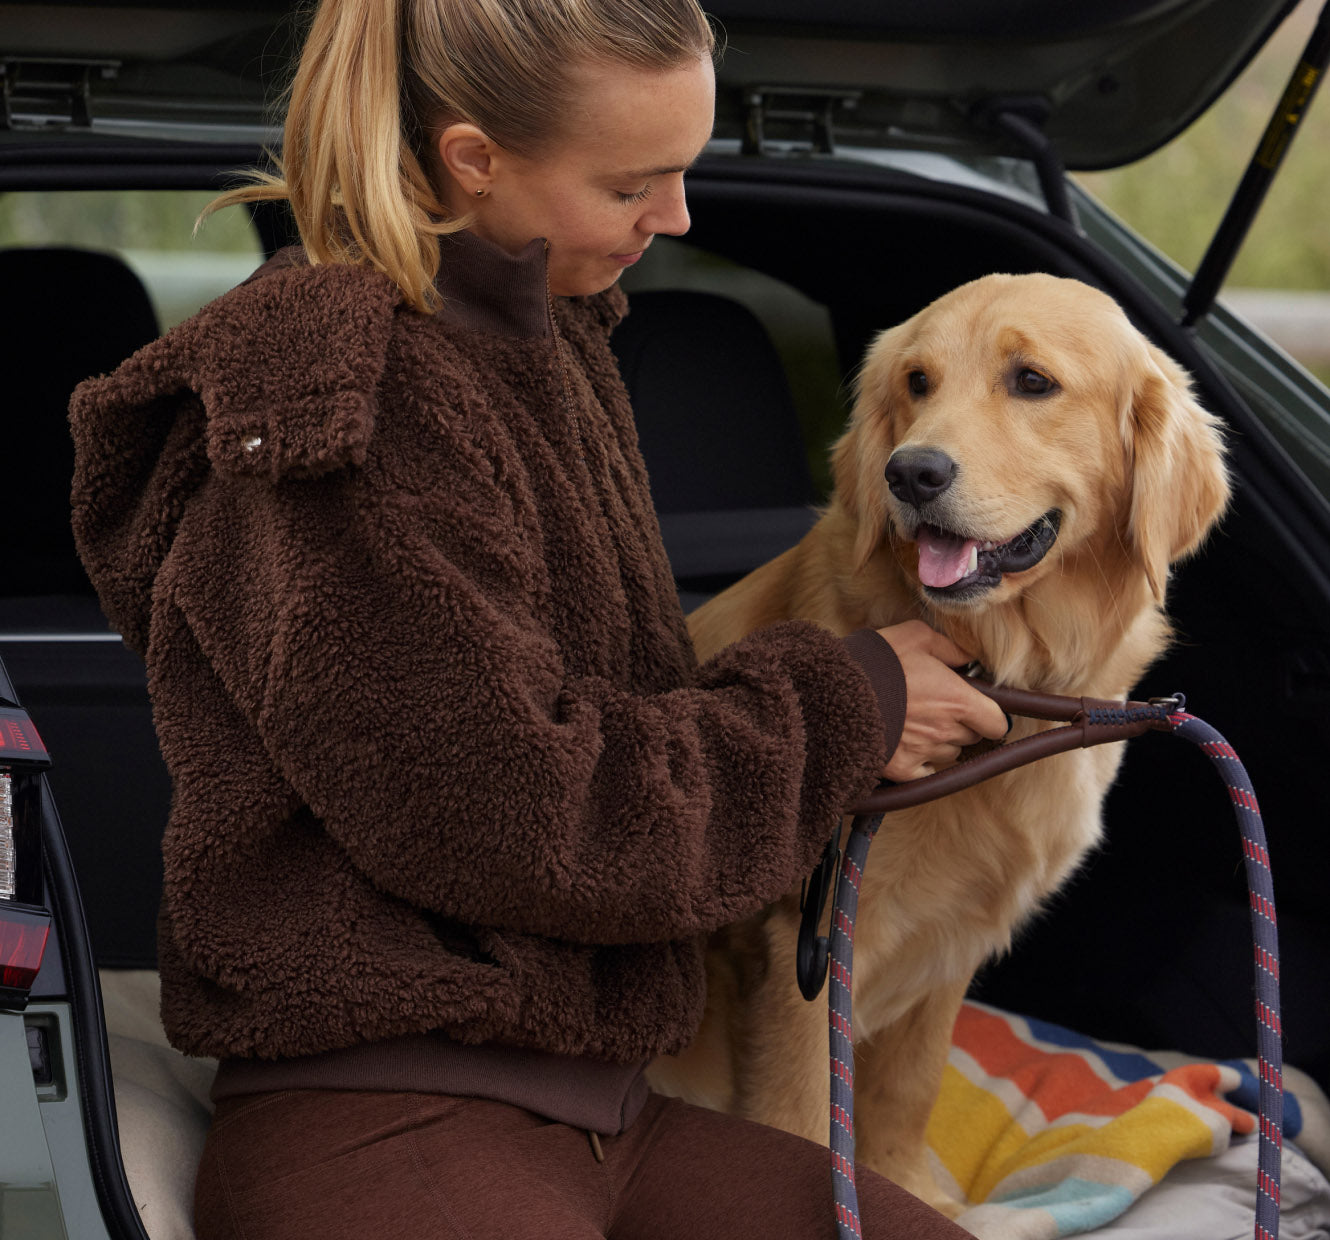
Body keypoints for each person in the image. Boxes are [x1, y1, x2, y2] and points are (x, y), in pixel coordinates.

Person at [68, 1, 1008, 1236]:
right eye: (637, 181)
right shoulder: (348, 401)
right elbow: (519, 813)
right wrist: (849, 702)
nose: (676, 218)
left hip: (606, 1104)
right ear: (474, 162)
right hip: (386, 1111)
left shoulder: (541, 343)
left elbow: (615, 722)